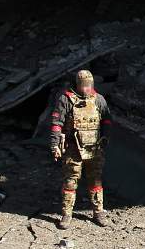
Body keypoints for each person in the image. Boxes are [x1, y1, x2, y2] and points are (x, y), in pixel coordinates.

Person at [47, 68, 109, 227]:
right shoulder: (65, 99)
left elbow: (106, 120)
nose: (86, 88)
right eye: (83, 85)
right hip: (73, 149)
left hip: (94, 148)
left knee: (95, 180)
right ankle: (67, 214)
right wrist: (55, 145)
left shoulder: (99, 99)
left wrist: (106, 138)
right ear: (77, 84)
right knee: (70, 182)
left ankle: (98, 212)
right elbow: (56, 124)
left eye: (89, 85)